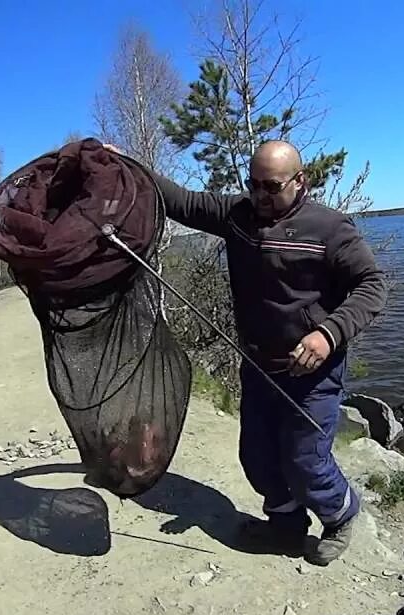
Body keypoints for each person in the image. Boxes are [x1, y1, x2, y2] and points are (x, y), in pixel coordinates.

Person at [106, 140, 388, 565]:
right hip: (258, 365)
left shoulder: (330, 229)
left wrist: (327, 334)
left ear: (300, 181)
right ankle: (286, 526)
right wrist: (125, 164)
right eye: (253, 185)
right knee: (256, 456)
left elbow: (372, 286)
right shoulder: (238, 216)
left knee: (304, 458)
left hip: (313, 371)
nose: (260, 195)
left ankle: (341, 513)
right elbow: (178, 200)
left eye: (271, 187)